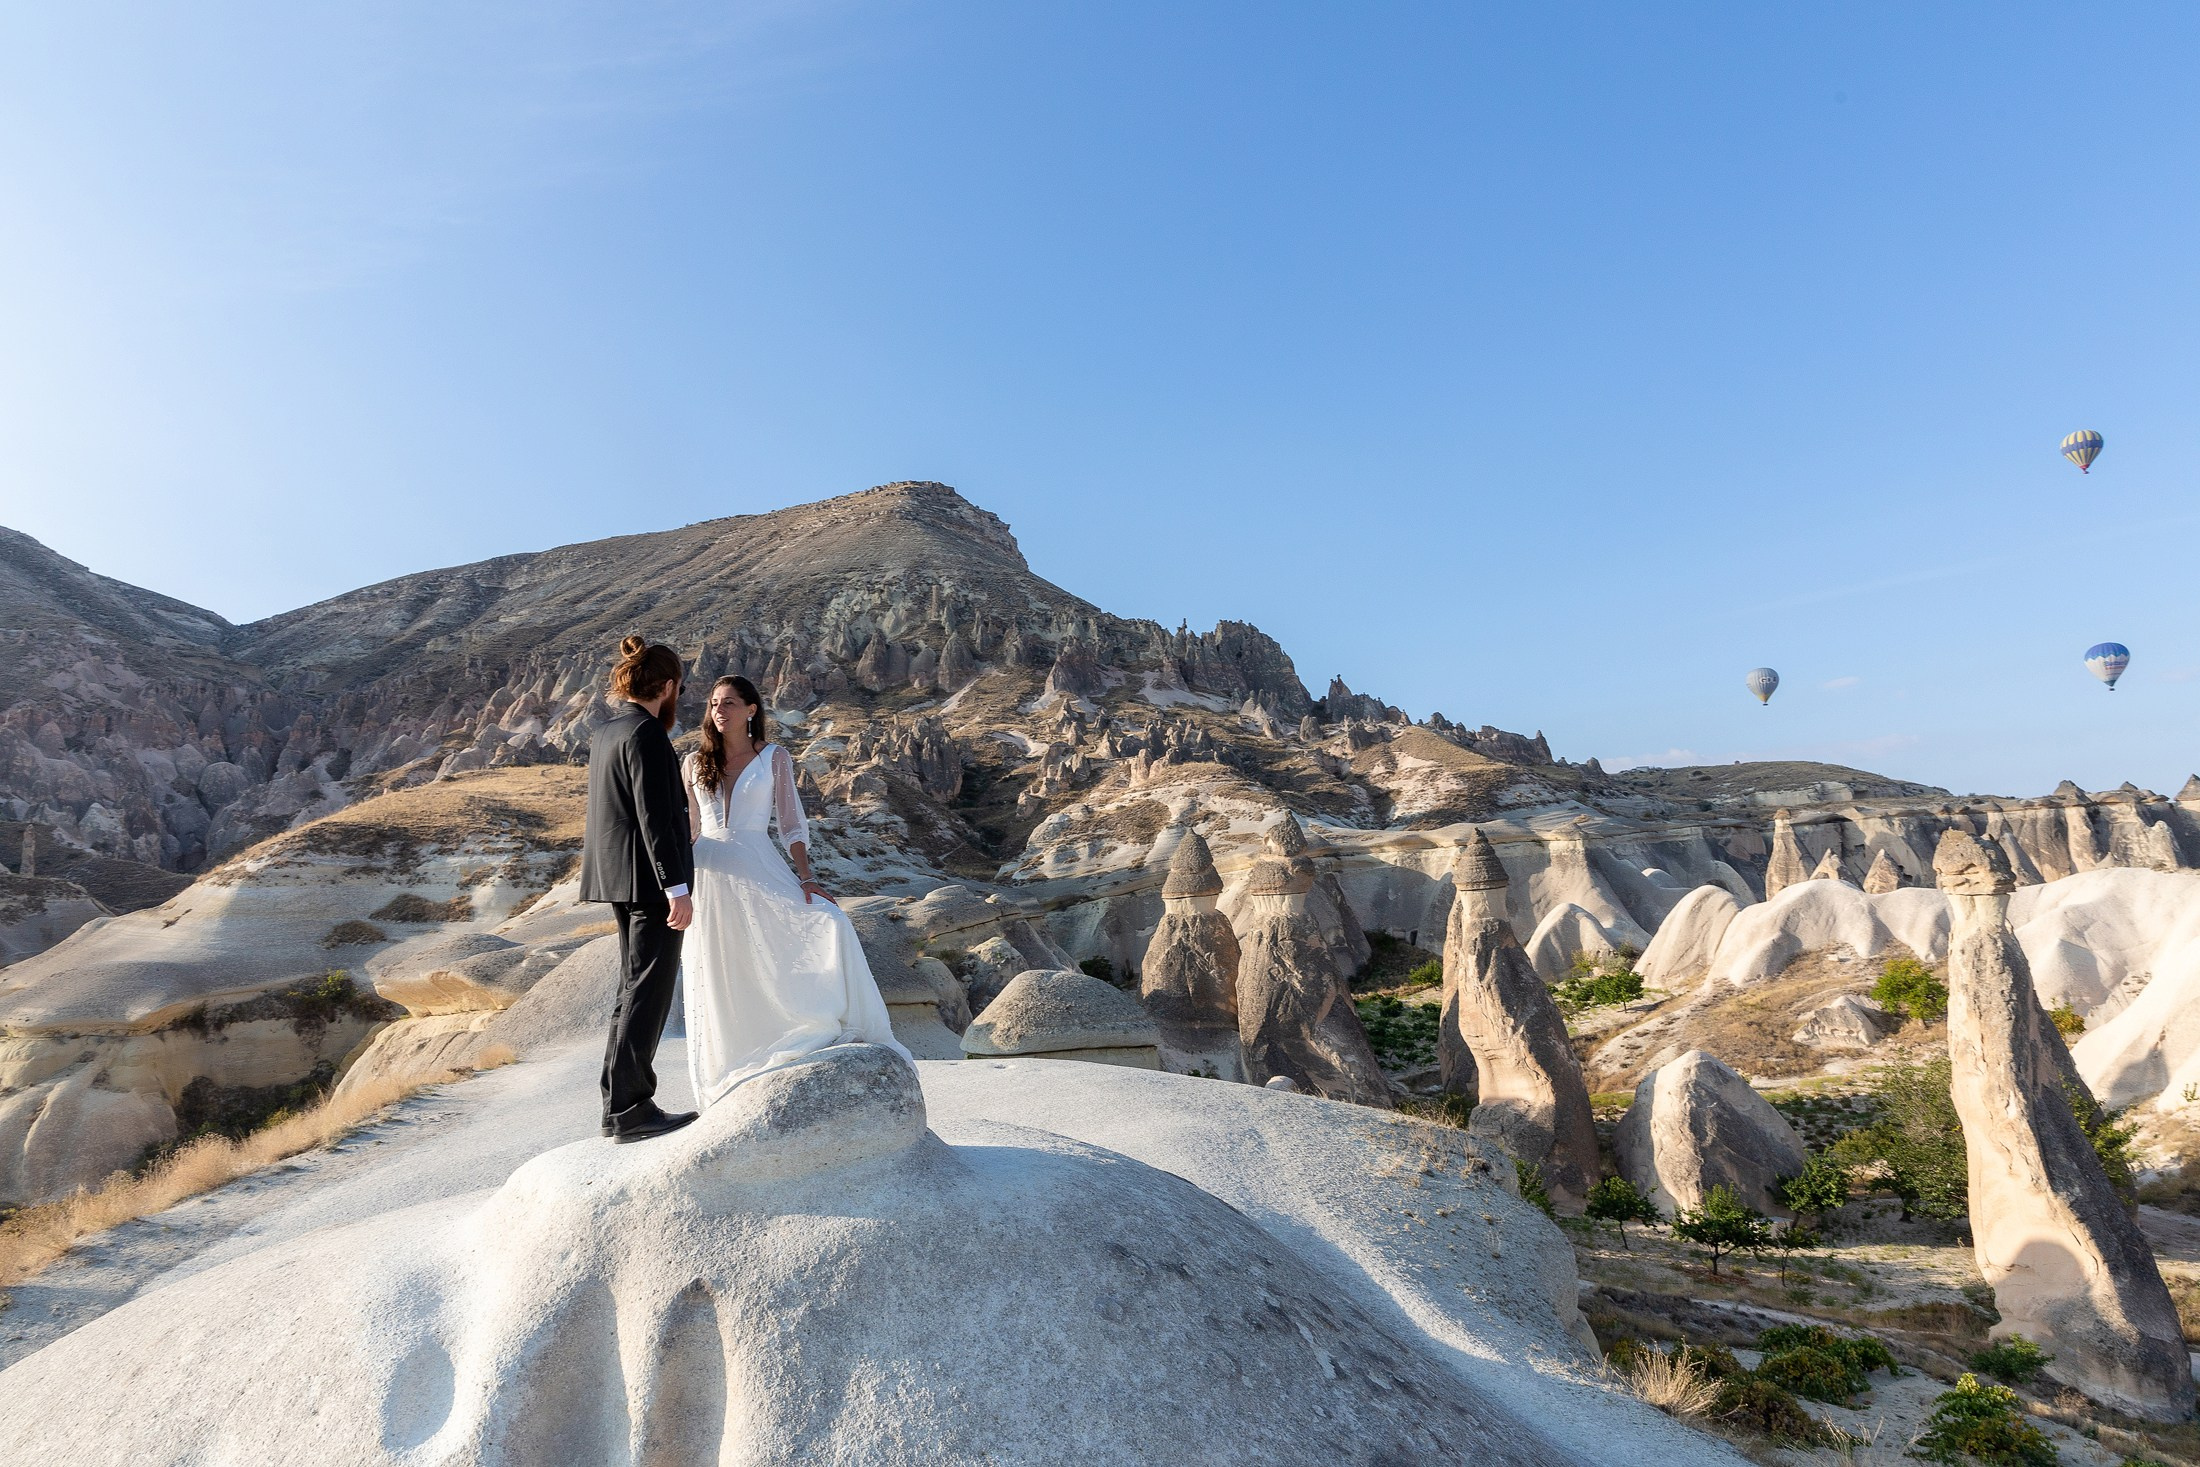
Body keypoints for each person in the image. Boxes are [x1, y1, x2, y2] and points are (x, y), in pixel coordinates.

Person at [681, 674, 910, 1106]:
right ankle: (730, 1063)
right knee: (721, 966)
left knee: (828, 922)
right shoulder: (693, 763)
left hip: (757, 860)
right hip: (708, 872)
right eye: (714, 703)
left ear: (751, 710)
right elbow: (690, 828)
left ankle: (800, 1028)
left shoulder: (774, 757)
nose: (719, 710)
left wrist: (805, 876)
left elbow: (791, 825)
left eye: (729, 703)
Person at [580, 636, 699, 1143]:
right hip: (650, 884)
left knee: (632, 989)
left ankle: (618, 1105)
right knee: (648, 992)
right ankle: (631, 1108)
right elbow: (655, 818)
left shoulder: (606, 732)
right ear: (669, 686)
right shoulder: (648, 734)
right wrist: (677, 888)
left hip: (617, 878)